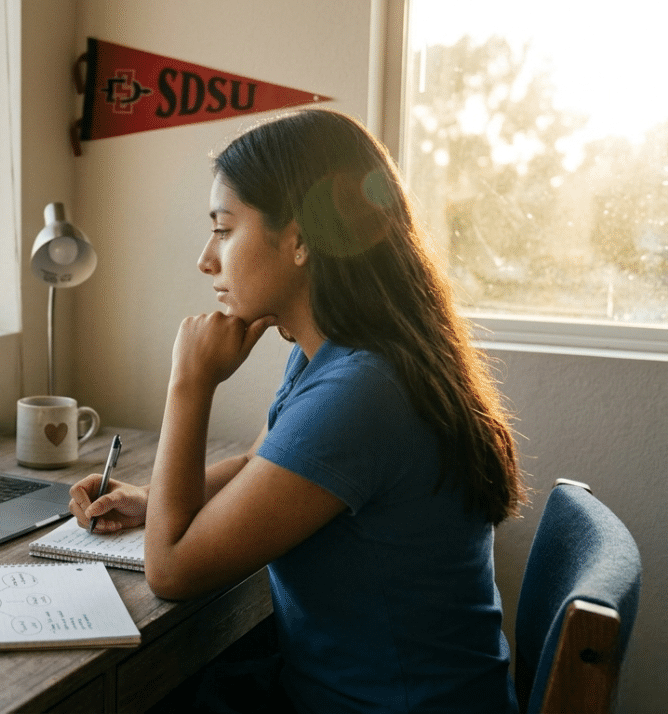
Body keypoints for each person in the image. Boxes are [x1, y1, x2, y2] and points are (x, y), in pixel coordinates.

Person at [69, 108, 527, 713]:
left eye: (225, 230)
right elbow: (264, 461)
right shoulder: (341, 355)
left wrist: (189, 382)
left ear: (303, 240)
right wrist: (155, 500)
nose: (207, 260)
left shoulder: (363, 393)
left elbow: (172, 569)